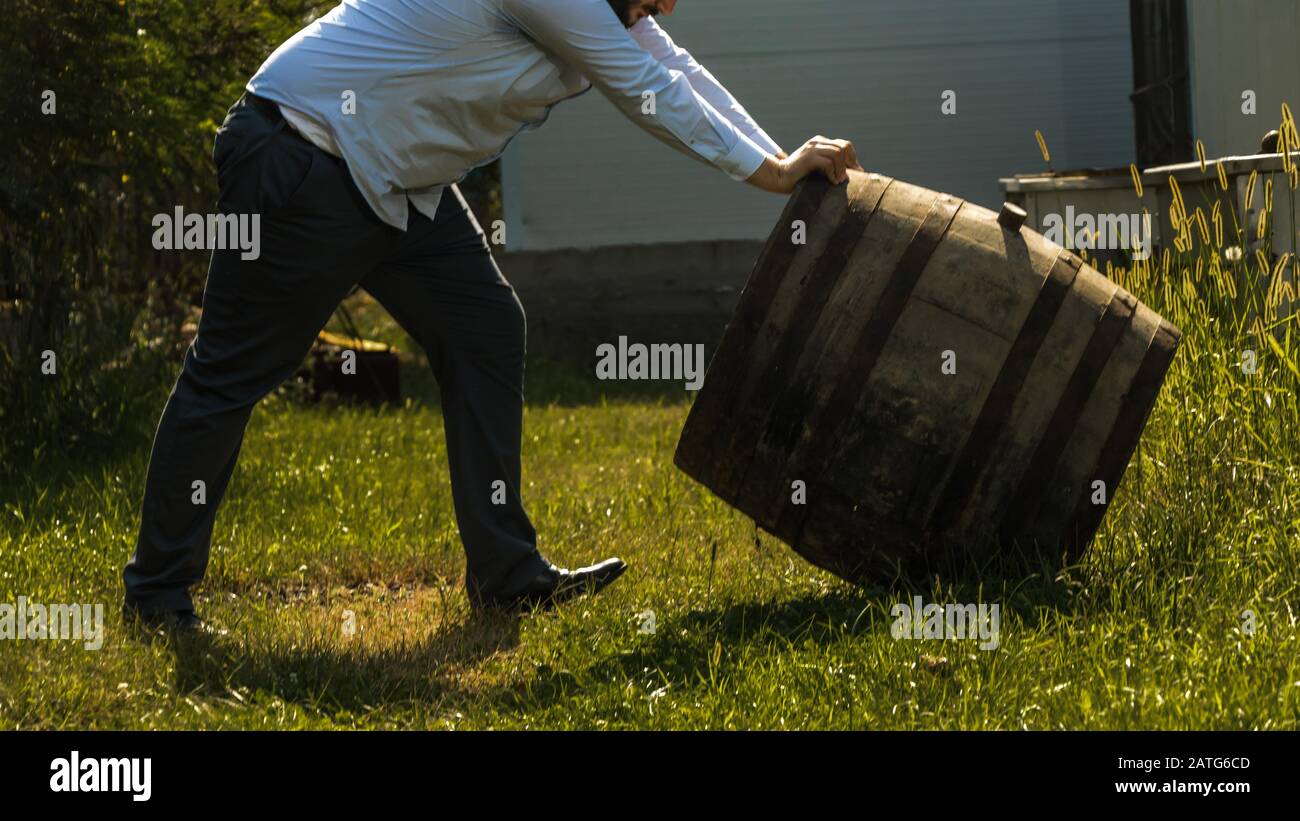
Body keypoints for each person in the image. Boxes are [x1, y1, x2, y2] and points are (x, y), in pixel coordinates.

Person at [122, 0, 863, 632]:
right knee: (230, 372)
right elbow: (646, 90)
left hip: (396, 177)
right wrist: (771, 174)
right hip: (306, 151)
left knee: (485, 330)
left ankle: (506, 572)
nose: (666, 7)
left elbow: (683, 74)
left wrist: (786, 157)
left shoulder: (613, 10)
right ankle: (157, 593)